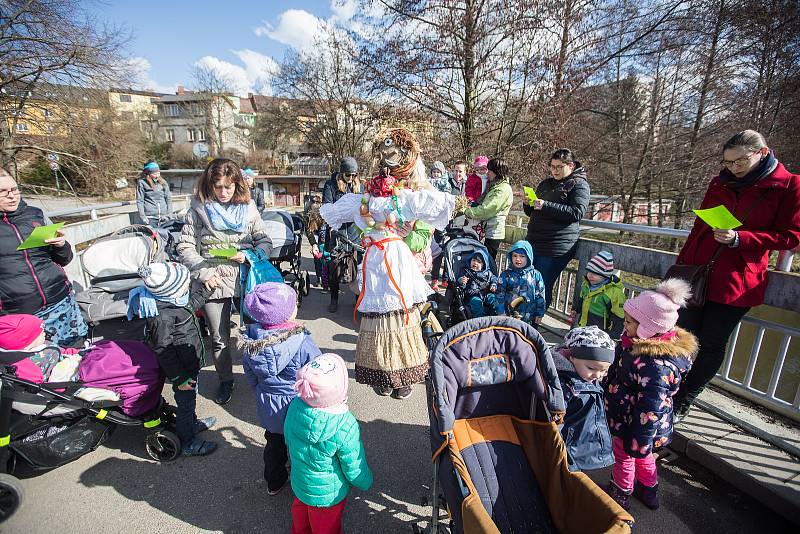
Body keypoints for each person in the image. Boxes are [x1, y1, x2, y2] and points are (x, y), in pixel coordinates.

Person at [672, 130, 800, 421]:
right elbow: (699, 227)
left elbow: (791, 235)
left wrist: (741, 238)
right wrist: (681, 269)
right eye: (728, 162)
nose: (733, 168)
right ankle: (667, 389)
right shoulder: (720, 181)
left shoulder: (790, 185)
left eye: (739, 161)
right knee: (681, 334)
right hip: (698, 271)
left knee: (712, 343)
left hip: (737, 280)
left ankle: (685, 398)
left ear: (762, 153)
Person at [177, 158, 272, 406]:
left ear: (237, 185)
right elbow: (185, 246)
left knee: (255, 332)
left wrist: (249, 255)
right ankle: (226, 380)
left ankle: (262, 375)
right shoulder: (198, 209)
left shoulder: (250, 209)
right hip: (212, 281)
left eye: (228, 187)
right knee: (219, 339)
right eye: (218, 187)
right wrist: (204, 273)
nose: (223, 193)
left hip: (244, 278)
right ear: (209, 185)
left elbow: (265, 243)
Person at [604, 279, 697, 511]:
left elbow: (650, 408)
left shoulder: (655, 366)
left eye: (629, 322)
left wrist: (639, 438)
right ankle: (648, 490)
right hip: (634, 419)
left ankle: (620, 493)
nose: (624, 326)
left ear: (648, 328)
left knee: (625, 455)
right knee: (644, 456)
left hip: (635, 423)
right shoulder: (634, 344)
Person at [240, 282, 322, 495]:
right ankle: (302, 479)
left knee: (274, 443)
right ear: (287, 313)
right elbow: (317, 370)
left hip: (268, 403)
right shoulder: (302, 340)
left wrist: (260, 392)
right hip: (298, 403)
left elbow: (250, 375)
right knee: (300, 445)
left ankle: (274, 482)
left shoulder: (251, 341)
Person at [136, 261, 218, 457]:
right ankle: (188, 441)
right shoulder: (162, 317)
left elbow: (191, 306)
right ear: (171, 292)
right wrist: (179, 379)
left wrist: (207, 290)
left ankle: (192, 424)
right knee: (185, 403)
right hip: (182, 370)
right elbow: (163, 349)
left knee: (190, 400)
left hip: (190, 363)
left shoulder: (174, 302)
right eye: (185, 287)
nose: (188, 288)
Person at [284, 353, 373, 534]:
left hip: (301, 483)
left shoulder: (295, 406)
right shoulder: (345, 424)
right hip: (328, 494)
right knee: (326, 527)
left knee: (300, 518)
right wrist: (365, 481)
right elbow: (353, 464)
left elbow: (287, 437)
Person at [0, 168, 87, 346]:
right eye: (3, 191)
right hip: (22, 317)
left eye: (15, 189)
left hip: (62, 301)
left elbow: (65, 259)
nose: (12, 196)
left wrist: (61, 245)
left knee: (77, 356)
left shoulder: (36, 215)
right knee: (40, 367)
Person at [524, 148, 590, 309]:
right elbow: (532, 212)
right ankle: (524, 320)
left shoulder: (580, 185)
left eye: (559, 167)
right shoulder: (546, 183)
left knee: (541, 286)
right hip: (535, 243)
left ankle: (535, 322)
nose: (555, 170)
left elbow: (577, 212)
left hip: (556, 246)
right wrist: (528, 204)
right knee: (527, 283)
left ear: (571, 166)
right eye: (552, 166)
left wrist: (546, 205)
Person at [553, 326, 615, 472]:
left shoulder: (584, 377)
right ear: (572, 358)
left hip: (581, 443)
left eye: (604, 370)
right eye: (592, 368)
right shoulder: (565, 385)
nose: (598, 375)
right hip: (568, 447)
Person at [322, 157, 363, 313]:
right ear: (341, 173)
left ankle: (357, 299)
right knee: (335, 267)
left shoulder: (359, 185)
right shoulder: (330, 185)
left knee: (357, 268)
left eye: (354, 175)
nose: (351, 178)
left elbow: (364, 206)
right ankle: (334, 299)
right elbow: (327, 207)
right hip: (337, 231)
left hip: (355, 232)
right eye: (348, 175)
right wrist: (333, 224)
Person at [462, 158, 513, 262]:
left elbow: (485, 211)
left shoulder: (501, 190)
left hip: (493, 232)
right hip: (487, 230)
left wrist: (465, 211)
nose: (487, 173)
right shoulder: (493, 185)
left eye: (489, 170)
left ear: (497, 172)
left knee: (487, 263)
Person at [571, 251, 626, 339]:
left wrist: (614, 334)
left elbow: (620, 316)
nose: (590, 276)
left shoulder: (614, 293)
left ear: (605, 275)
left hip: (600, 332)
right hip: (583, 325)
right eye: (589, 272)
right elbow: (582, 298)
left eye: (595, 274)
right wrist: (576, 309)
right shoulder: (586, 285)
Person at [495, 240, 545, 326]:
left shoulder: (536, 275)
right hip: (508, 317)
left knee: (527, 337)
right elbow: (499, 294)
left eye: (522, 256)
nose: (518, 259)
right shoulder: (506, 275)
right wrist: (500, 311)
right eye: (515, 256)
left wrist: (539, 313)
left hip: (529, 317)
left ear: (528, 257)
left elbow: (540, 295)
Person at [455, 250, 498, 318]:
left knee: (494, 299)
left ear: (484, 264)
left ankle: (496, 315)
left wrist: (494, 284)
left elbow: (494, 278)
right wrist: (461, 281)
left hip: (486, 293)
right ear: (470, 260)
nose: (475, 263)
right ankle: (480, 319)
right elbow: (460, 284)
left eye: (479, 262)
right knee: (476, 302)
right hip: (472, 295)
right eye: (474, 260)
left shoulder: (488, 273)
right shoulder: (466, 272)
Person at [136, 160, 173, 225]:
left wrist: (169, 214)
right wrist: (143, 216)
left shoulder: (163, 182)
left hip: (164, 217)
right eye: (154, 174)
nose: (157, 176)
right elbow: (140, 201)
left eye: (158, 173)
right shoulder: (142, 183)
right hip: (150, 217)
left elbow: (168, 198)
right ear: (148, 174)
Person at [304, 193, 327, 290]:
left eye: (318, 202)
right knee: (317, 257)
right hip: (316, 235)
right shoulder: (307, 214)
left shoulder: (325, 211)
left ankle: (328, 279)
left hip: (325, 234)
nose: (316, 204)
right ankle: (319, 278)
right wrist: (313, 244)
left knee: (327, 258)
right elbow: (309, 232)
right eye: (314, 202)